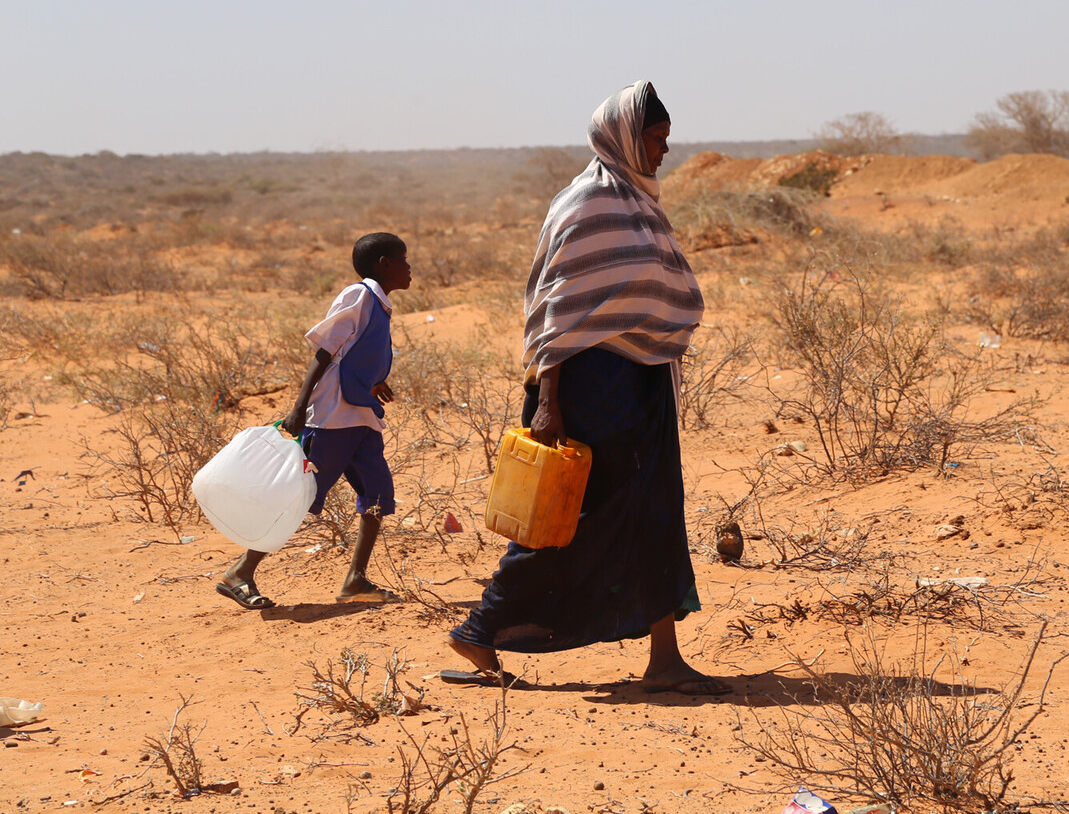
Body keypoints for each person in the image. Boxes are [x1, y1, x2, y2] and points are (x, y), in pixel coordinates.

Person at [446, 80, 729, 695]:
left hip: (640, 381)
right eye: (655, 139)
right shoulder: (586, 203)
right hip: (587, 385)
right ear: (624, 138)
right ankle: (483, 626)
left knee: (655, 510)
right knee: (576, 516)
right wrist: (549, 402)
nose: (662, 152)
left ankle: (664, 659)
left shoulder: (637, 201)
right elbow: (556, 310)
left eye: (665, 140)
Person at [215, 232, 411, 609]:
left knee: (377, 494)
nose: (409, 268)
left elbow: (354, 353)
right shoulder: (359, 295)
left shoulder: (380, 303)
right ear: (384, 264)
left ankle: (355, 579)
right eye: (403, 260)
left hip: (361, 416)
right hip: (333, 417)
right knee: (299, 496)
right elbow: (325, 352)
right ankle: (241, 571)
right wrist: (299, 407)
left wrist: (374, 380)